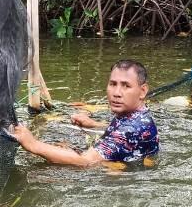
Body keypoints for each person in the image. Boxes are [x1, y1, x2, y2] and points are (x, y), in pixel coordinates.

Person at [13, 60, 159, 166]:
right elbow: (121, 133)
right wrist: (94, 124)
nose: (117, 93)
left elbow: (85, 161)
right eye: (113, 84)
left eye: (126, 86)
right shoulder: (139, 116)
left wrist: (33, 144)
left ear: (143, 91)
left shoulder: (130, 129)